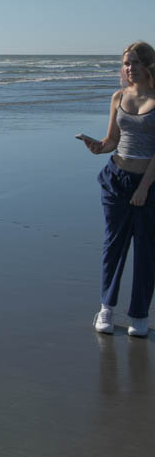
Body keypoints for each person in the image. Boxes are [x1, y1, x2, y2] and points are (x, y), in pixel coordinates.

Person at [82, 41, 155, 337]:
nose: (129, 68)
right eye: (126, 63)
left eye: (135, 62)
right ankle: (107, 308)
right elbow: (112, 139)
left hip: (148, 183)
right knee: (113, 246)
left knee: (146, 250)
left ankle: (139, 315)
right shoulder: (118, 97)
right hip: (116, 179)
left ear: (148, 65)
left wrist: (145, 187)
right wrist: (97, 147)